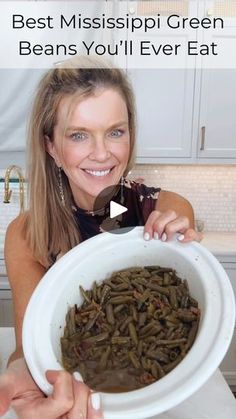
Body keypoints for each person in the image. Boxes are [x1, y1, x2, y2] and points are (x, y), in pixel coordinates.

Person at [0, 56, 201, 419]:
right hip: (75, 403)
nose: (102, 152)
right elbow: (28, 350)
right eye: (78, 135)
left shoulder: (163, 208)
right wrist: (21, 373)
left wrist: (179, 236)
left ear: (130, 135)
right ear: (51, 147)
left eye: (115, 131)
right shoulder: (27, 236)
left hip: (159, 401)